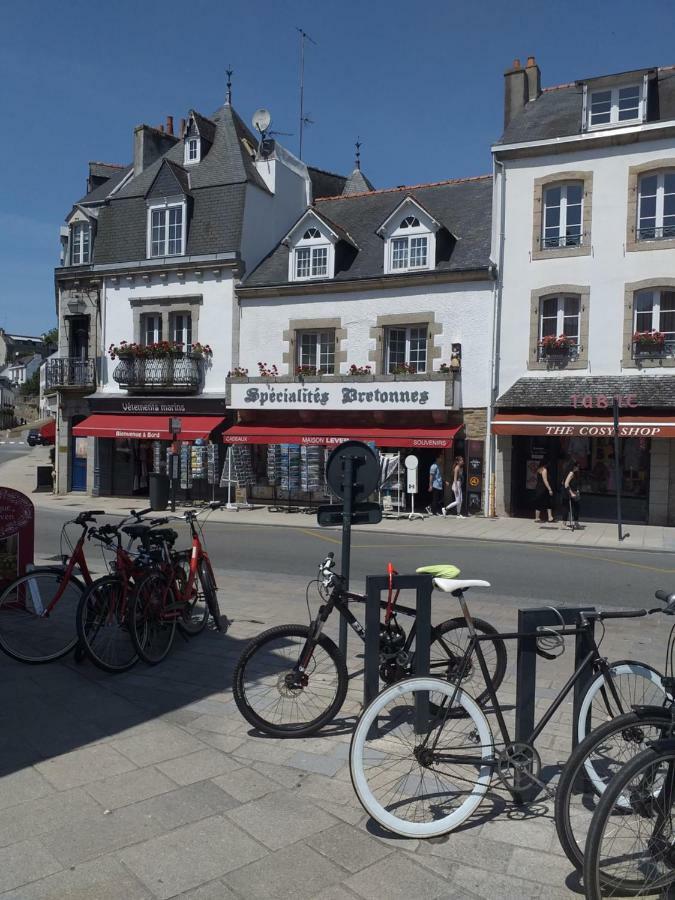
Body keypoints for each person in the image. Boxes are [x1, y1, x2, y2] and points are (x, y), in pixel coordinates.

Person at [534, 459, 554, 523]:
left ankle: (550, 517)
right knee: (545, 502)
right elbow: (545, 481)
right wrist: (549, 489)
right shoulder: (544, 470)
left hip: (539, 488)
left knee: (545, 502)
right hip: (543, 489)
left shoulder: (539, 470)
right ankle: (538, 518)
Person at [563, 462, 581, 527]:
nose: (578, 468)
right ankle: (564, 524)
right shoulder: (571, 473)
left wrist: (577, 490)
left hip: (574, 492)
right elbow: (566, 484)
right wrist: (571, 493)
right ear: (574, 467)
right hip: (569, 493)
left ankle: (576, 522)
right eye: (577, 466)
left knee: (576, 507)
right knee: (567, 507)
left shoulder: (575, 474)